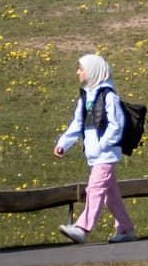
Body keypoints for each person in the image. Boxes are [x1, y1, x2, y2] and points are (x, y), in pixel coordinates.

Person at [54, 52, 137, 244]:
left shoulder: (108, 96)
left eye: (81, 69)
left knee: (95, 189)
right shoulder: (86, 98)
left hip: (106, 155)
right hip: (95, 155)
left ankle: (82, 228)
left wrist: (102, 145)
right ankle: (125, 228)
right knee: (111, 196)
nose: (77, 72)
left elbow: (117, 124)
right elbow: (77, 124)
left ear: (92, 71)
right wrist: (63, 144)